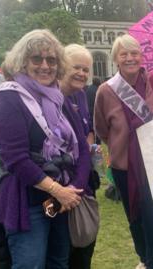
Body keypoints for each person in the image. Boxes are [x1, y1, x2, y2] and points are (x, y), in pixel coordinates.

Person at [0, 29, 90, 268]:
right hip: (27, 202)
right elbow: (16, 159)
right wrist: (58, 190)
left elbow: (83, 150)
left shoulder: (59, 98)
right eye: (37, 59)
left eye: (52, 60)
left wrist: (74, 189)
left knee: (59, 263)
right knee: (30, 265)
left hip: (62, 202)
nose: (45, 65)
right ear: (23, 62)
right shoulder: (9, 98)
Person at [94, 34, 153, 269]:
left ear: (141, 56)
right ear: (116, 59)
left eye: (134, 53)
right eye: (124, 54)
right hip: (124, 167)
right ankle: (144, 258)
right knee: (134, 218)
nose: (130, 58)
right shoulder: (105, 91)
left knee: (152, 220)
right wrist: (122, 147)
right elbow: (102, 129)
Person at [59, 43, 99, 269]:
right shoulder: (53, 98)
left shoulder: (82, 96)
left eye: (86, 69)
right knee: (64, 251)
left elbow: (89, 131)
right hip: (61, 186)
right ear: (63, 66)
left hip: (83, 183)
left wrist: (89, 147)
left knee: (85, 243)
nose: (82, 73)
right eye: (77, 67)